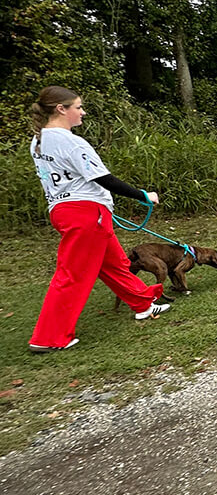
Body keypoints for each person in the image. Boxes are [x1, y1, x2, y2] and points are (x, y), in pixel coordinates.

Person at [28, 86, 170, 353]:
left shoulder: (38, 141)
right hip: (85, 214)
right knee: (73, 274)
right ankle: (48, 338)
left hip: (65, 211)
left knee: (114, 263)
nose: (82, 112)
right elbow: (103, 178)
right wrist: (143, 195)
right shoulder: (70, 141)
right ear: (61, 109)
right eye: (78, 107)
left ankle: (142, 304)